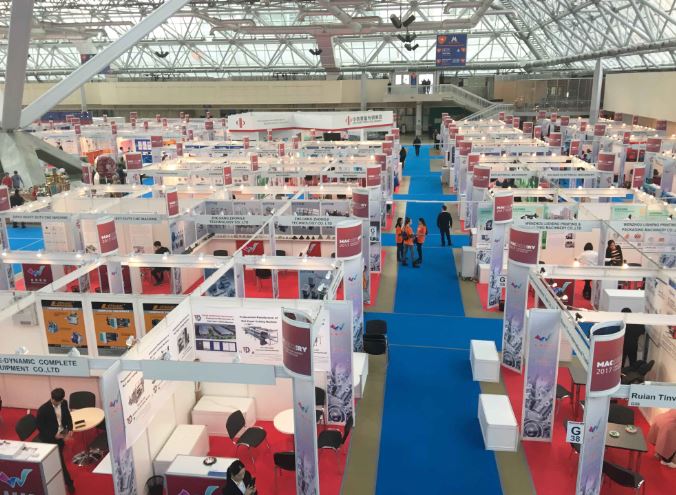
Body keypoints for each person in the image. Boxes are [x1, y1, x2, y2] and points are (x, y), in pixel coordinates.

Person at [36, 388, 75, 493]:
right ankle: (69, 483)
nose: (59, 403)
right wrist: (54, 436)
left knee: (58, 460)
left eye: (60, 401)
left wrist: (70, 428)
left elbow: (67, 416)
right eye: (57, 402)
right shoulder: (43, 410)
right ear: (52, 398)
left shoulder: (63, 403)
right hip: (50, 438)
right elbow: (41, 428)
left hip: (61, 433)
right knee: (60, 461)